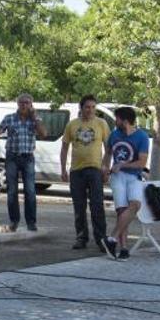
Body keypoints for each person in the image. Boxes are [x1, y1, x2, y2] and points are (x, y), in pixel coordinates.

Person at [61, 95, 111, 250]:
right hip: (76, 171)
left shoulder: (101, 124)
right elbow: (64, 148)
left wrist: (105, 167)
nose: (90, 110)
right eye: (87, 107)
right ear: (81, 108)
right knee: (79, 206)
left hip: (95, 169)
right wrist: (63, 169)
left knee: (97, 205)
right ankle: (81, 237)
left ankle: (101, 239)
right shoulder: (72, 125)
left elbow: (108, 149)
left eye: (93, 107)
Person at [0, 94, 48, 231]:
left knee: (30, 190)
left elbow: (44, 134)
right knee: (12, 191)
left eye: (27, 103)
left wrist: (35, 118)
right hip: (12, 157)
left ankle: (31, 222)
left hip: (28, 157)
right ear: (17, 104)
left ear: (31, 105)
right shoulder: (9, 118)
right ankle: (14, 221)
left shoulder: (35, 120)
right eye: (22, 102)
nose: (24, 105)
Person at [102, 106, 150, 260]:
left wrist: (122, 165)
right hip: (117, 177)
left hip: (133, 176)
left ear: (125, 121)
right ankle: (123, 249)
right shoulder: (114, 135)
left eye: (117, 119)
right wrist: (104, 167)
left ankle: (111, 238)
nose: (115, 121)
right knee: (122, 212)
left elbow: (141, 163)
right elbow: (108, 153)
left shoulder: (141, 136)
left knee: (135, 205)